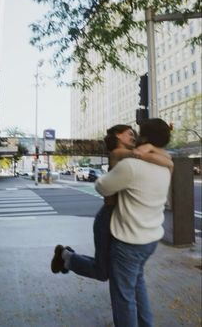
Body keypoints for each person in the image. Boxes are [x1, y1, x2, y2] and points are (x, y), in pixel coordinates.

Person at [51, 123, 173, 282]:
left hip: (118, 215)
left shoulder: (130, 153)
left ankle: (67, 257)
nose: (133, 136)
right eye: (129, 133)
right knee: (103, 272)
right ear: (118, 135)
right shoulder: (118, 153)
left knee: (108, 270)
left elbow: (162, 158)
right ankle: (66, 256)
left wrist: (152, 148)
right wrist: (158, 153)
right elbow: (165, 159)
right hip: (108, 217)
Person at [94, 118, 172, 327]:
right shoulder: (165, 167)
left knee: (124, 297)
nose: (134, 136)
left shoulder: (131, 166)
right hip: (151, 239)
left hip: (128, 242)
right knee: (138, 286)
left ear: (144, 138)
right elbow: (167, 160)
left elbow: (102, 187)